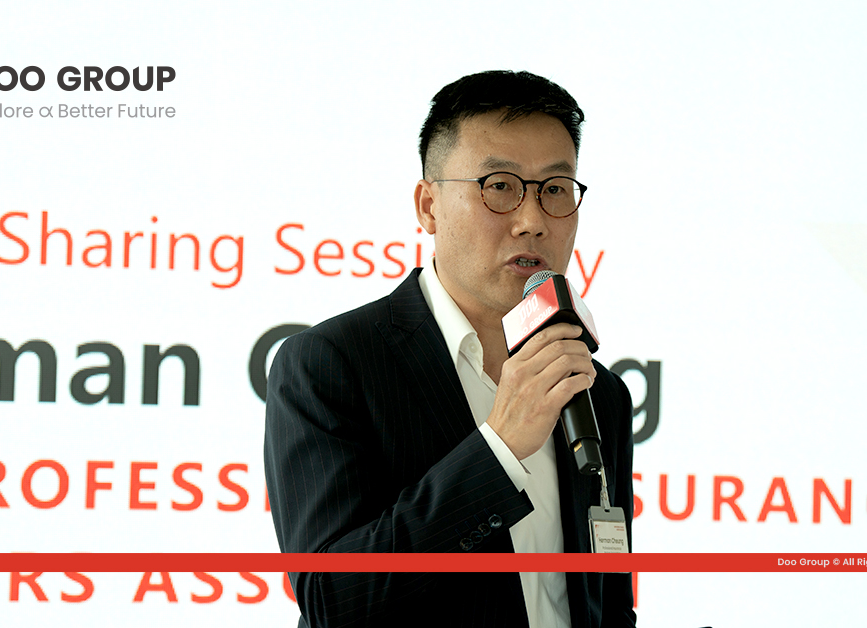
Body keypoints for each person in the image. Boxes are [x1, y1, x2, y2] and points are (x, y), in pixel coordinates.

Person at [264, 70, 635, 628]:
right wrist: (501, 448)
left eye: (556, 189)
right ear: (429, 206)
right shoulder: (330, 365)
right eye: (500, 186)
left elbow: (607, 603)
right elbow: (330, 599)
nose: (532, 222)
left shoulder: (595, 391)